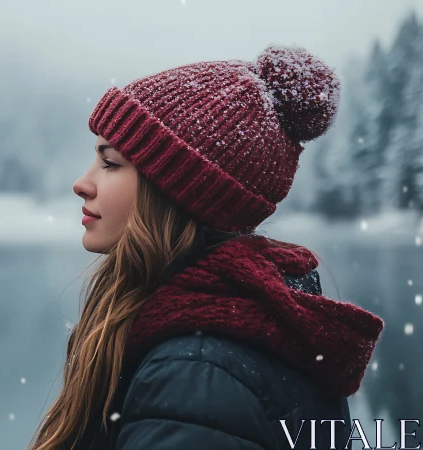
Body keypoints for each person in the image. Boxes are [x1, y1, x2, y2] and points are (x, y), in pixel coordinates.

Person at [31, 44, 385, 450]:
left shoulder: (194, 374)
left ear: (181, 191)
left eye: (110, 162)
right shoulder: (239, 332)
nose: (82, 182)